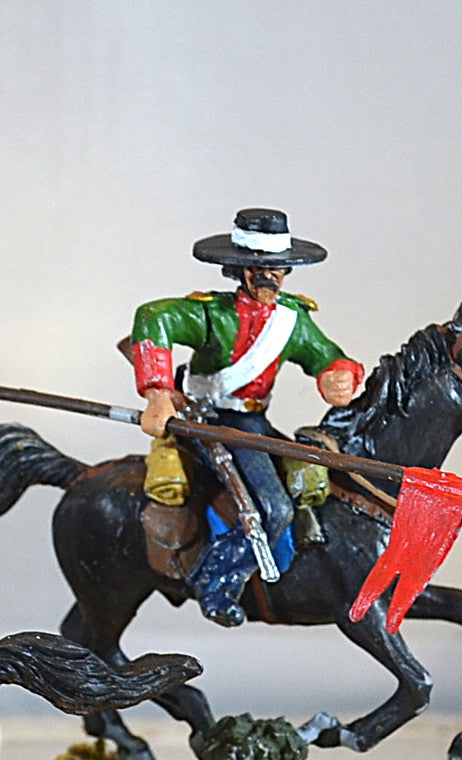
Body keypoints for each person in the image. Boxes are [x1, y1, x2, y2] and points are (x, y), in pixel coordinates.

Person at [128, 207, 364, 626]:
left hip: (252, 423)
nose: (268, 278)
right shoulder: (211, 313)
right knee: (274, 509)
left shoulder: (292, 320)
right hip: (206, 419)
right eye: (258, 270)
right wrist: (158, 392)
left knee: (307, 473)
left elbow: (325, 354)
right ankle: (216, 583)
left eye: (276, 270)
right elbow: (153, 317)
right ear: (239, 271)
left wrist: (338, 373)